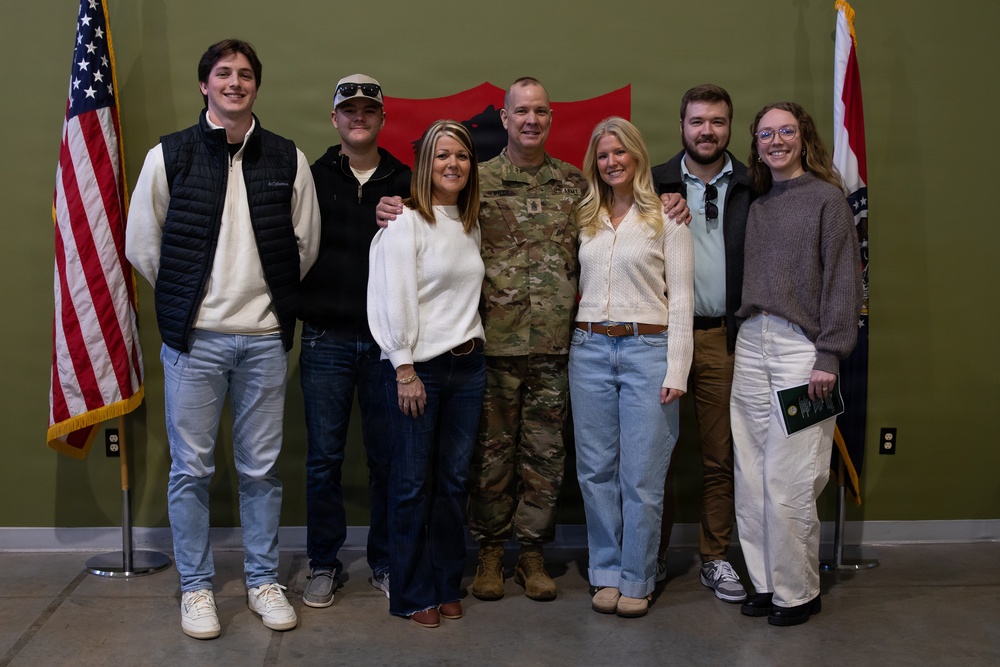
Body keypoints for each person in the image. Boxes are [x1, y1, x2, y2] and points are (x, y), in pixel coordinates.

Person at [377, 78, 689, 602]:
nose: (531, 120)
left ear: (550, 119)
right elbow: (435, 213)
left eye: (541, 112)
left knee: (546, 457)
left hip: (558, 347)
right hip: (489, 346)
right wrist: (391, 208)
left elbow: (627, 206)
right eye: (521, 111)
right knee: (489, 458)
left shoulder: (575, 187)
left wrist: (672, 197)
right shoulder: (478, 181)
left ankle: (533, 553)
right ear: (504, 118)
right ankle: (492, 553)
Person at [125, 39, 320, 638]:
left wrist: (261, 302)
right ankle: (197, 589)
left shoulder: (288, 158)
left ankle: (263, 581)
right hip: (195, 342)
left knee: (261, 470)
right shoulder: (171, 156)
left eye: (244, 75)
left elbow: (304, 246)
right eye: (223, 73)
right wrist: (191, 298)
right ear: (204, 85)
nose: (234, 82)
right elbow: (142, 244)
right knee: (191, 470)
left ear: (256, 87)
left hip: (263, 340)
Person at [731, 102, 862, 627]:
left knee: (793, 477)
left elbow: (845, 285)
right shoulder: (759, 203)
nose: (776, 140)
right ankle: (766, 583)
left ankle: (798, 591)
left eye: (786, 131)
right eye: (766, 133)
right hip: (751, 343)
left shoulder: (828, 201)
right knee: (752, 474)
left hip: (803, 352)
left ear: (803, 138)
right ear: (757, 143)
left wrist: (828, 354)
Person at [570, 117, 694, 618]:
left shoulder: (667, 220)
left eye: (620, 152)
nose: (612, 162)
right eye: (603, 155)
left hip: (649, 351)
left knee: (642, 475)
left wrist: (677, 368)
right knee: (595, 470)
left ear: (638, 156)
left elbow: (682, 297)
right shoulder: (586, 217)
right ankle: (605, 571)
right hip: (589, 349)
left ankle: (637, 577)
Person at [367, 120, 486, 629]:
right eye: (441, 156)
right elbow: (391, 297)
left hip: (469, 366)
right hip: (420, 371)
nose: (452, 164)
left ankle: (445, 582)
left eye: (461, 155)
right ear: (425, 165)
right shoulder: (404, 222)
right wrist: (405, 368)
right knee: (413, 483)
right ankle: (412, 591)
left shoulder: (469, 221)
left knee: (454, 482)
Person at [298, 74, 411, 608]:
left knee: (387, 459)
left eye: (369, 109)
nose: (359, 117)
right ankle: (323, 563)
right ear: (335, 118)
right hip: (325, 337)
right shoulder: (309, 176)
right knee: (323, 458)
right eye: (350, 110)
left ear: (382, 118)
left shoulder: (407, 179)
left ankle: (386, 560)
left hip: (388, 344)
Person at [650, 84, 752, 603]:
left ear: (729, 127)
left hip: (722, 339)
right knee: (656, 458)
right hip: (661, 340)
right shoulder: (653, 183)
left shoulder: (756, 186)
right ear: (682, 126)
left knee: (719, 457)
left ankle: (715, 558)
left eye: (716, 121)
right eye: (696, 121)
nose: (706, 131)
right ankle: (650, 559)